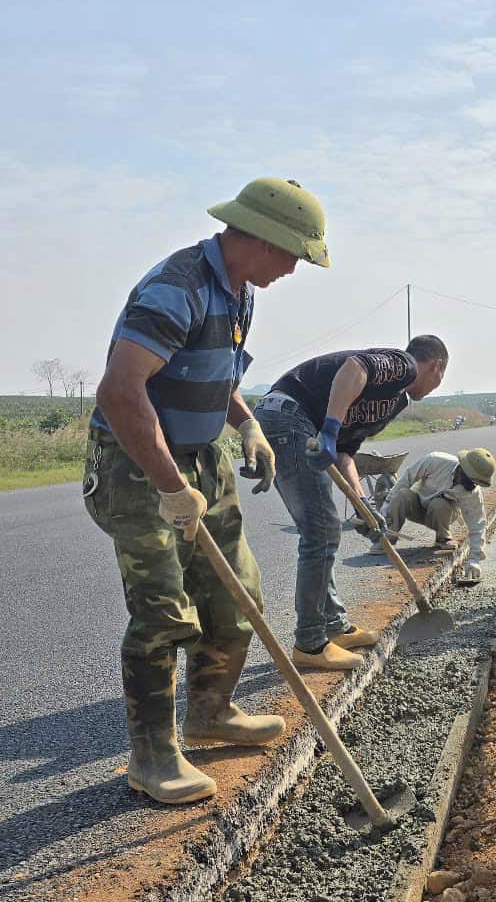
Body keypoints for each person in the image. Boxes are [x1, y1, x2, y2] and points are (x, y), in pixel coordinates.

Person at [85, 177, 329, 805]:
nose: (293, 270)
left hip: (202, 458)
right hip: (138, 464)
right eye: (293, 256)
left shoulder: (240, 294)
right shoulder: (178, 286)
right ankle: (154, 757)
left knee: (237, 594)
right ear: (263, 239)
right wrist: (170, 487)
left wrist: (246, 425)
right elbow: (119, 391)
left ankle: (211, 712)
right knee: (165, 611)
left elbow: (217, 376)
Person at [253, 336, 448, 671]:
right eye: (438, 379)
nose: (433, 386)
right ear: (437, 367)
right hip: (287, 415)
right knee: (322, 530)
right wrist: (328, 428)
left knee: (321, 529)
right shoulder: (403, 366)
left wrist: (363, 506)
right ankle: (311, 643)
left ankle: (334, 626)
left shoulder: (395, 402)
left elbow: (345, 455)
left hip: (295, 423)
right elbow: (355, 367)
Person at [379, 448, 496, 584]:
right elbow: (406, 479)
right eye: (472, 481)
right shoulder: (435, 461)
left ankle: (443, 538)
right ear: (462, 470)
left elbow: (477, 525)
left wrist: (474, 559)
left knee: (439, 503)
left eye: (476, 483)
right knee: (402, 495)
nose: (473, 486)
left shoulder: (472, 492)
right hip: (418, 506)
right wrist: (385, 509)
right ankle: (387, 539)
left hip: (442, 515)